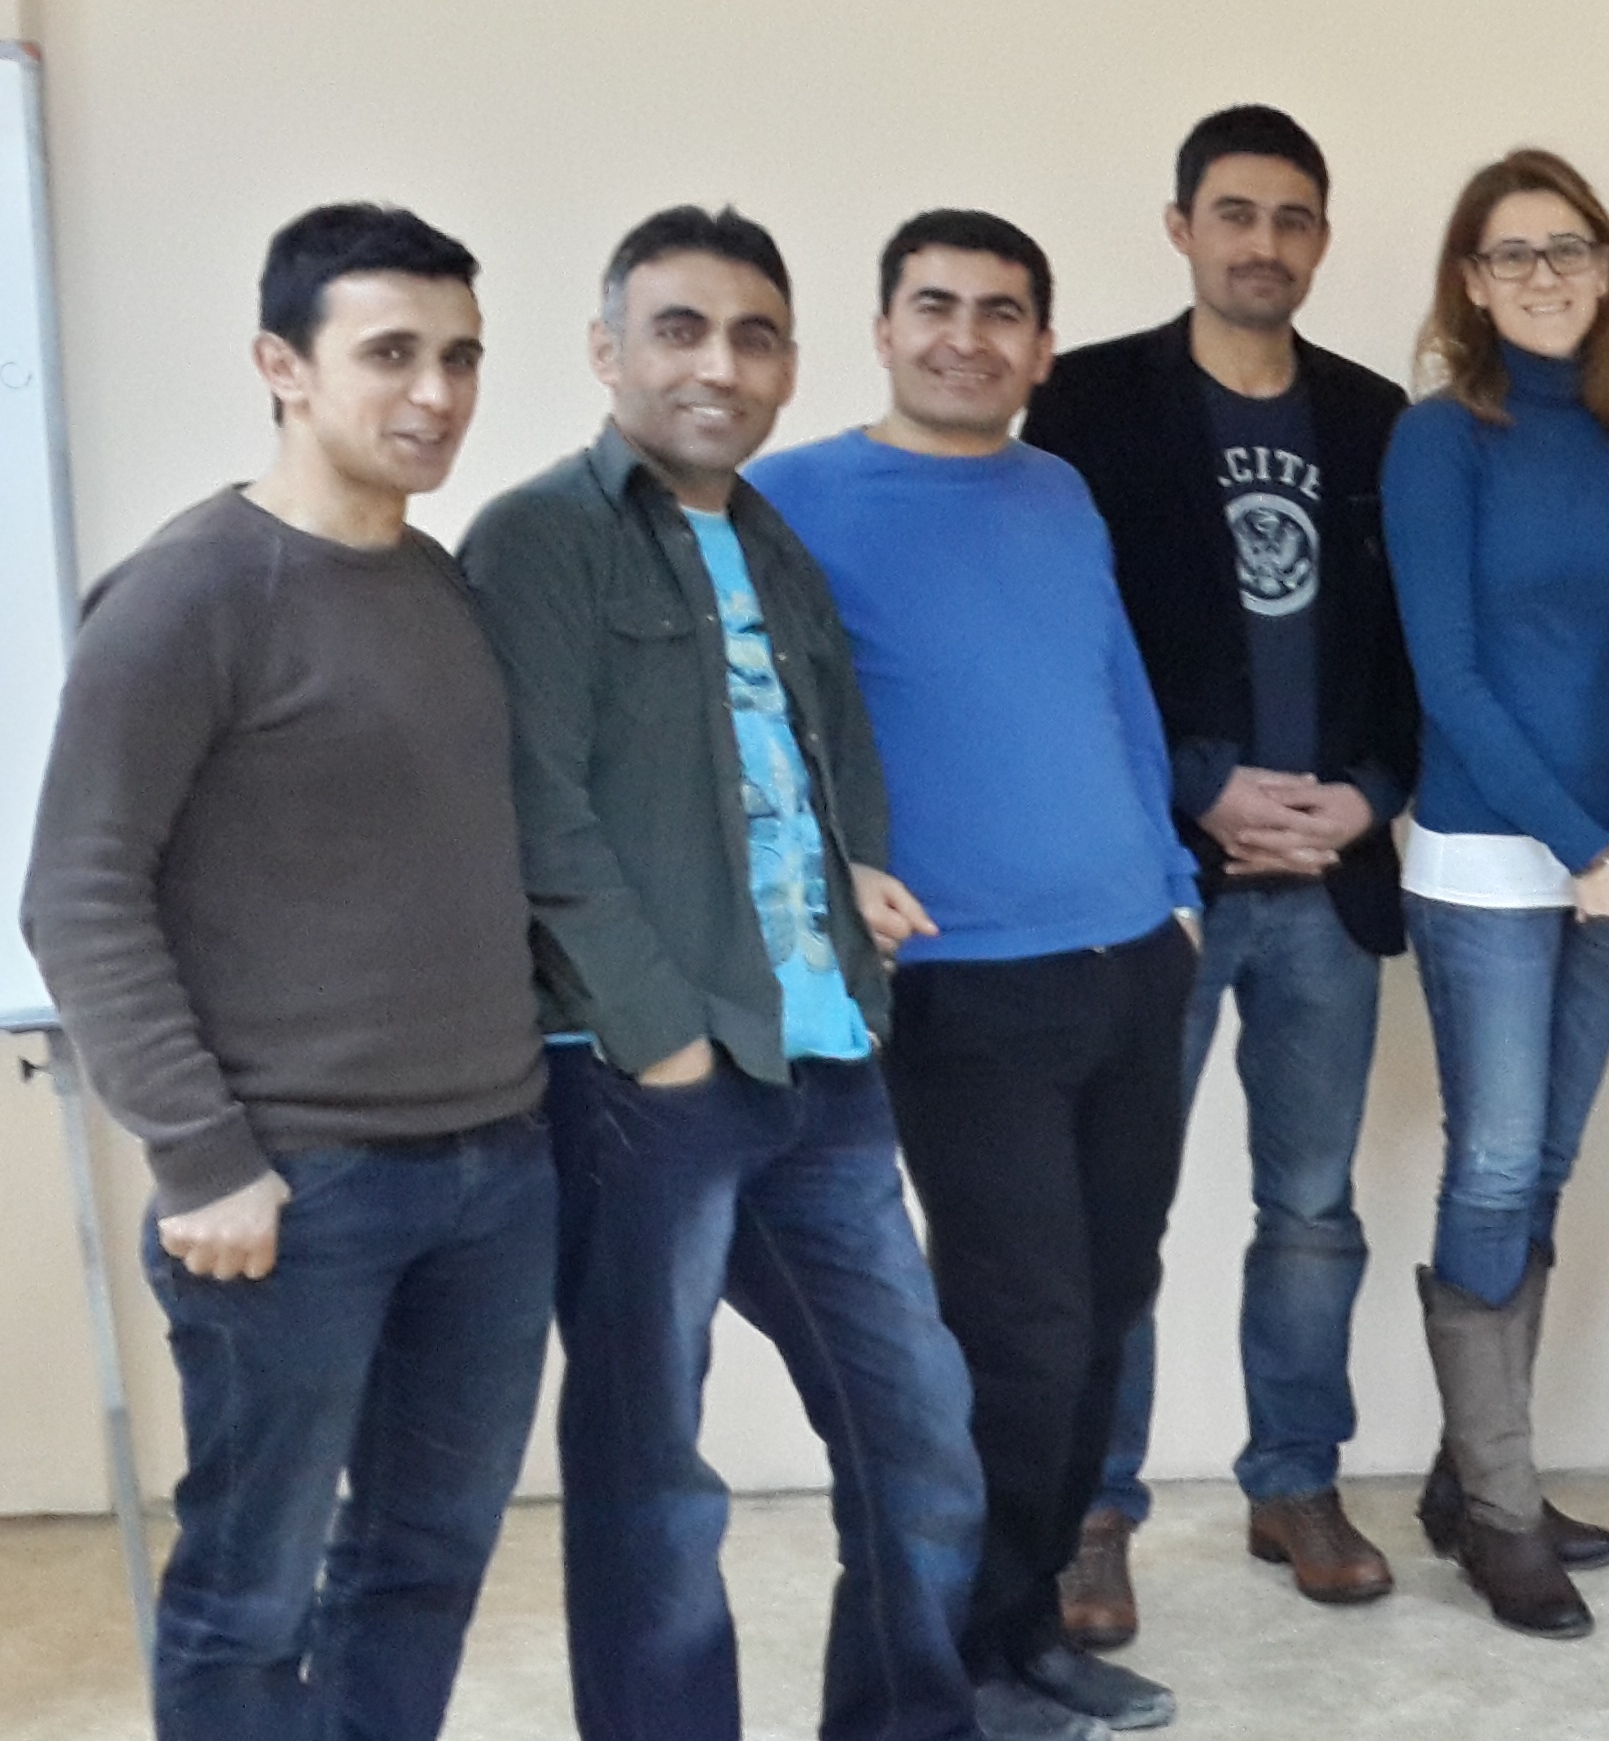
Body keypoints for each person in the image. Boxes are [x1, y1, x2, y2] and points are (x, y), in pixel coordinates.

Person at [459, 207, 1023, 1741]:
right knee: (653, 1479)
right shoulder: (537, 537)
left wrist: (853, 879)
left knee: (919, 1436)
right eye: (680, 329)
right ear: (607, 350)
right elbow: (537, 810)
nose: (719, 364)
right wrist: (658, 1038)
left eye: (753, 336)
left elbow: (824, 758)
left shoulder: (773, 542)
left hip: (821, 1058)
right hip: (644, 1077)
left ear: (788, 364)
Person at [22, 204, 546, 1741]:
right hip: (292, 1195)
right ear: (283, 365)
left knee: (423, 1564)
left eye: (459, 356)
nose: (435, 393)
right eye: (390, 353)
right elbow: (77, 893)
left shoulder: (437, 584)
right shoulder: (189, 593)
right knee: (248, 1595)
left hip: (492, 1171)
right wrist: (202, 1158)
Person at [749, 210, 1200, 1733]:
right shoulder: (791, 498)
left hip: (1130, 961)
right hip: (963, 985)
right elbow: (751, 730)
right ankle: (955, 1661)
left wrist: (1175, 890)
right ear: (882, 330)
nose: (966, 336)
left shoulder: (1058, 489)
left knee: (1108, 1309)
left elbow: (1116, 691)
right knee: (1018, 1340)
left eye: (1000, 312)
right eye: (934, 306)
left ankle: (1026, 1627)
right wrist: (826, 885)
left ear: (1042, 347)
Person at [1021, 104, 1422, 1631]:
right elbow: (1068, 636)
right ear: (1181, 226)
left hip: (1329, 884)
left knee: (1312, 1207)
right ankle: (1092, 1507)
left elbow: (1415, 645)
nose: (1264, 243)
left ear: (1322, 239)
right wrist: (1201, 787)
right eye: (1235, 214)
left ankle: (1294, 1481)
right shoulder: (1088, 405)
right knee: (1113, 1206)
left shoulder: (1379, 418)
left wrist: (1368, 795)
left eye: (1292, 217)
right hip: (1158, 882)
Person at [1381, 147, 1609, 1641]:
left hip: (1608, 860)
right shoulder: (1438, 439)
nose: (1545, 275)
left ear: (1606, 266)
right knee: (1497, 1164)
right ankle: (1504, 1517)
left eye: (1569, 247)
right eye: (1512, 253)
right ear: (1471, 280)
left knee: (1545, 1164)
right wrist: (1585, 844)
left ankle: (1476, 1475)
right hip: (1487, 864)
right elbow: (1447, 678)